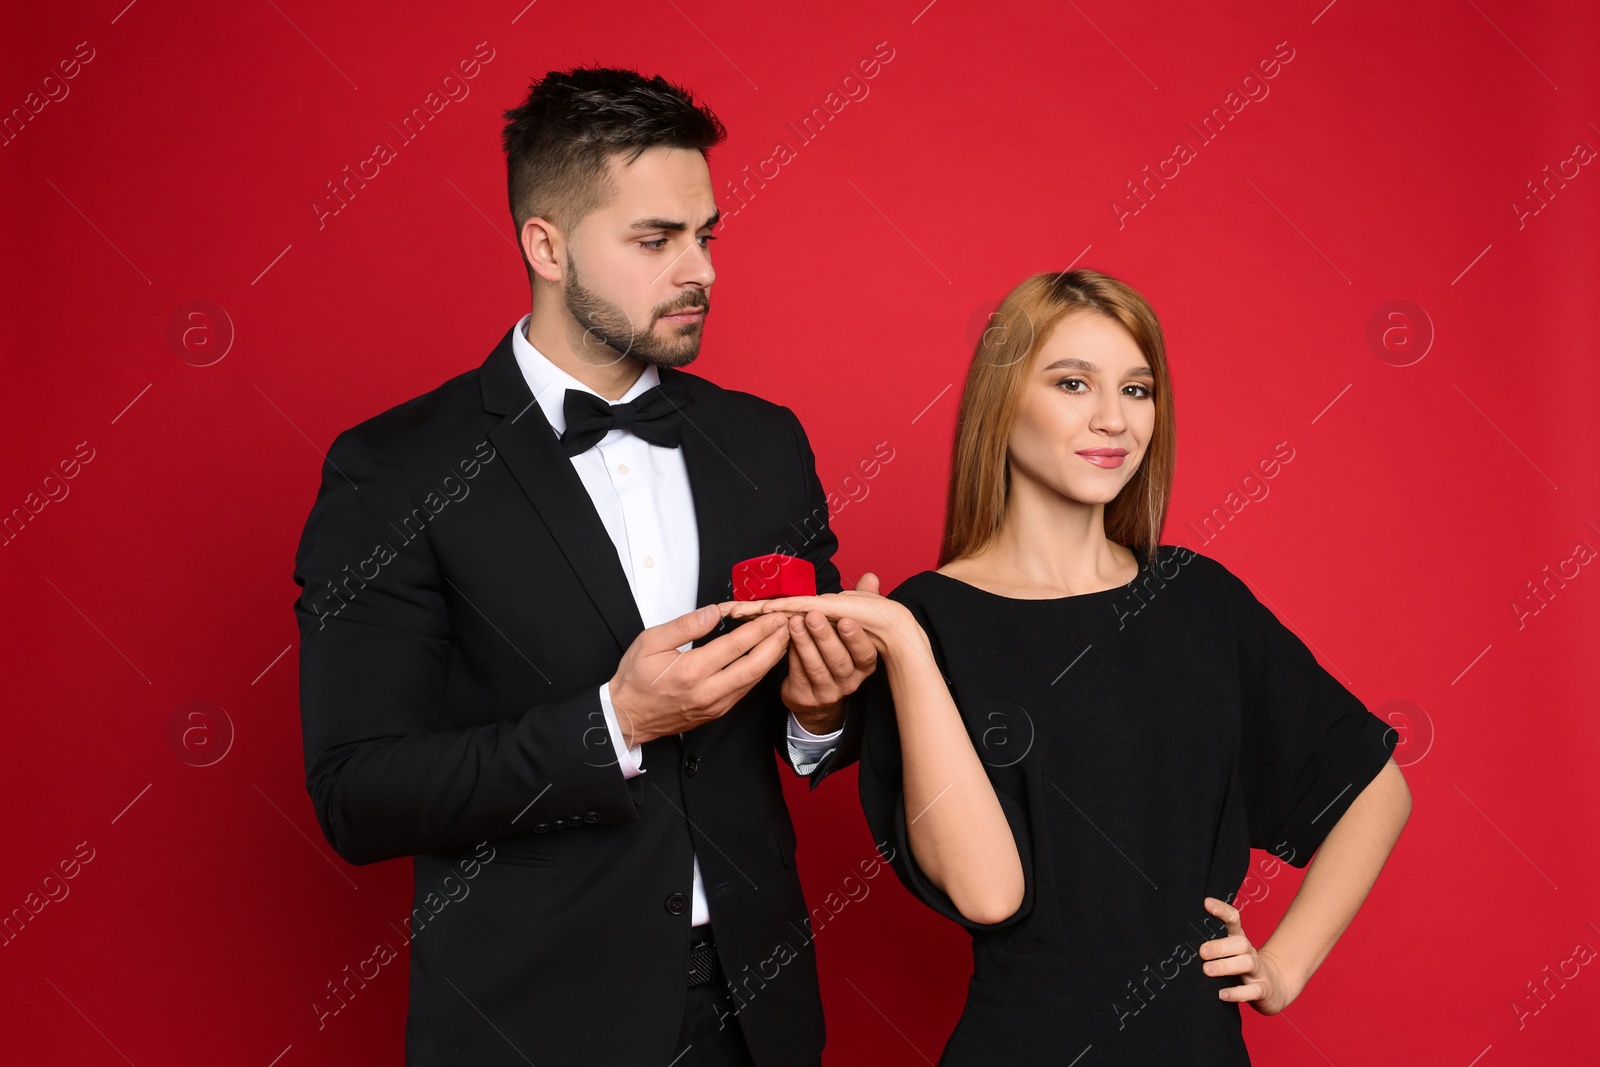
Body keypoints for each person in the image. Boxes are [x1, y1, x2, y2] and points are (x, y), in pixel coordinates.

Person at [291, 67, 880, 1067]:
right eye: (656, 240)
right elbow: (358, 791)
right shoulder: (392, 469)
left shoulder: (764, 442)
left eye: (706, 234)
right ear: (547, 245)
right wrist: (615, 724)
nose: (700, 269)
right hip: (533, 1022)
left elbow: (805, 723)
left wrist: (823, 712)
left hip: (758, 1016)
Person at [725, 268, 1412, 1064]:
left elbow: (1375, 787)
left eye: (1138, 388)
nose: (1114, 419)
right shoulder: (930, 620)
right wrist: (907, 648)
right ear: (1003, 400)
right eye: (1074, 383)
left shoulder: (1199, 601)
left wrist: (1284, 967)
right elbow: (990, 894)